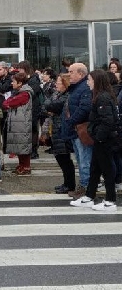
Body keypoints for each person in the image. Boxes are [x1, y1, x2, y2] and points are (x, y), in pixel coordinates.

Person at [70, 69, 118, 211]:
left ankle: (110, 200)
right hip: (101, 139)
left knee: (107, 169)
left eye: (89, 79)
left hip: (104, 139)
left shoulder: (103, 97)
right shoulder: (100, 96)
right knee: (95, 169)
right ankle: (89, 196)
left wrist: (99, 137)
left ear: (96, 81)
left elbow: (108, 121)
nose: (88, 82)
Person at [61, 63, 93, 199]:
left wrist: (71, 121)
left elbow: (84, 108)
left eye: (71, 72)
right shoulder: (75, 88)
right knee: (80, 161)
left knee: (85, 161)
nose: (69, 75)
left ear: (80, 74)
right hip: (75, 130)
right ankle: (83, 186)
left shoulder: (84, 88)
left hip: (80, 130)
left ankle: (86, 187)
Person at [45, 73, 75, 194]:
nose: (56, 85)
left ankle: (70, 184)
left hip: (62, 128)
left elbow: (53, 105)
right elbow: (46, 105)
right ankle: (66, 183)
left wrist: (51, 108)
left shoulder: (67, 95)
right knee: (59, 157)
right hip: (55, 128)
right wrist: (50, 109)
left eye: (58, 82)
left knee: (65, 158)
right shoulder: (56, 94)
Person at [2, 72, 34, 176]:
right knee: (19, 146)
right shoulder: (19, 92)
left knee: (23, 146)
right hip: (19, 123)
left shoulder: (24, 93)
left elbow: (9, 102)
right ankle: (21, 165)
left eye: (14, 81)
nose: (12, 83)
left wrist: (8, 103)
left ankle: (26, 167)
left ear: (20, 83)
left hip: (22, 124)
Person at [16, 60, 43, 159]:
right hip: (27, 108)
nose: (19, 70)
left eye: (20, 68)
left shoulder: (33, 79)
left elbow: (32, 92)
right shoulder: (26, 79)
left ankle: (34, 150)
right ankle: (29, 149)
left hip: (33, 107)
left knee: (33, 129)